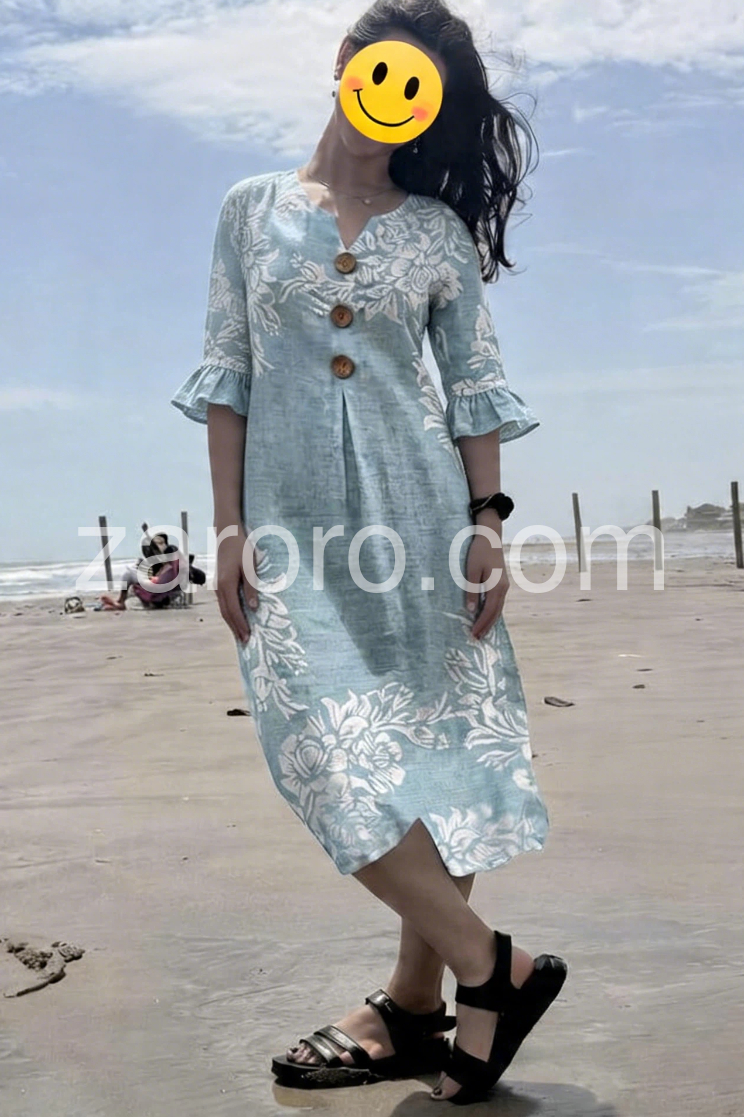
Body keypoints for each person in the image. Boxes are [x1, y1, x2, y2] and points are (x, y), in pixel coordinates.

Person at [170, 0, 567, 1103]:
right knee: (320, 752)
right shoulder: (250, 209)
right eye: (383, 70)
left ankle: (415, 1006)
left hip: (421, 520)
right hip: (288, 532)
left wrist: (487, 524)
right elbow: (227, 375)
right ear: (347, 63)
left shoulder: (436, 234)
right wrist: (228, 528)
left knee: (436, 755)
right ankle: (495, 968)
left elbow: (473, 385)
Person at [101, 533, 182, 611]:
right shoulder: (170, 566)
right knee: (133, 572)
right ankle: (120, 602)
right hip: (158, 592)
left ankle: (121, 601)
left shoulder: (169, 566)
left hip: (156, 592)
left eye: (161, 543)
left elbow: (160, 580)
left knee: (128, 574)